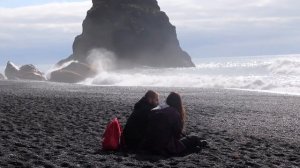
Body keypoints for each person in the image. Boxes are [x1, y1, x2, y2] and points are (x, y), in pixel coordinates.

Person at [141, 92, 208, 156]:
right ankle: (197, 145)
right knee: (193, 138)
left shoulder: (158, 110)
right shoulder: (174, 113)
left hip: (149, 144)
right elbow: (177, 133)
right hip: (164, 147)